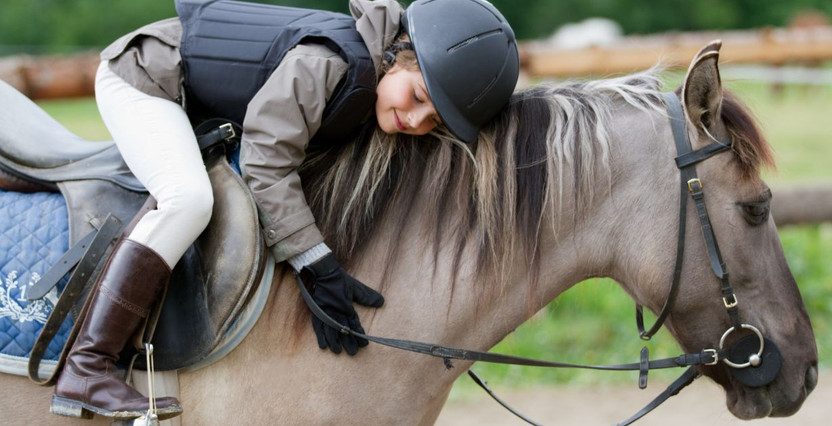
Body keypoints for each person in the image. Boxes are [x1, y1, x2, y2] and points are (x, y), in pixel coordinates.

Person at [49, 0, 519, 421]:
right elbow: (265, 160)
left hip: (191, 95)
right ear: (397, 56)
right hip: (144, 79)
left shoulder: (373, 79)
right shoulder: (327, 64)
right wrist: (315, 262)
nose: (414, 122)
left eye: (432, 120)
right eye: (417, 98)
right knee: (187, 199)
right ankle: (88, 365)